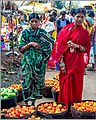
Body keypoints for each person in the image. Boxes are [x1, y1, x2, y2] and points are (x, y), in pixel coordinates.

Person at [48, 8, 91, 107]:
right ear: (73, 16)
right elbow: (59, 45)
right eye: (77, 17)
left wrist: (77, 46)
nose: (79, 19)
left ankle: (74, 105)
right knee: (64, 80)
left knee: (76, 82)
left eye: (82, 17)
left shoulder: (85, 33)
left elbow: (87, 48)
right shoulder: (65, 29)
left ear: (84, 18)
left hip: (77, 61)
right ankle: (64, 104)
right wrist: (61, 60)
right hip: (66, 60)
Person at [18, 13, 54, 105]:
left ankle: (33, 103)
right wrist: (30, 44)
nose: (34, 23)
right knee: (26, 82)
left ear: (39, 22)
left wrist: (45, 57)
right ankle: (26, 102)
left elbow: (51, 44)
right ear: (29, 22)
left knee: (37, 83)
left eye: (36, 21)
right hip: (27, 63)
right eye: (32, 21)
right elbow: (21, 49)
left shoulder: (42, 33)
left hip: (39, 64)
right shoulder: (25, 33)